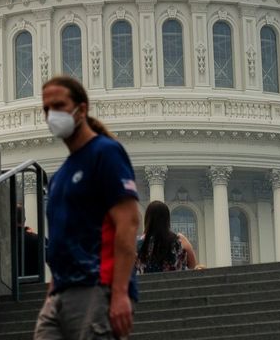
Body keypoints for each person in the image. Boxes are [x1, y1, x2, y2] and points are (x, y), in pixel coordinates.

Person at [34, 76, 139, 340]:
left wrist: (119, 293)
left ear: (81, 109)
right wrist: (51, 295)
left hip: (96, 286)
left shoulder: (106, 153)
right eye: (47, 109)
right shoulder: (59, 177)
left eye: (59, 105)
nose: (52, 115)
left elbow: (128, 224)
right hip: (60, 293)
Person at [135, 201, 197, 274]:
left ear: (147, 219)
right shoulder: (180, 240)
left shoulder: (137, 243)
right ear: (167, 219)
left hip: (148, 284)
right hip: (177, 284)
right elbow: (193, 265)